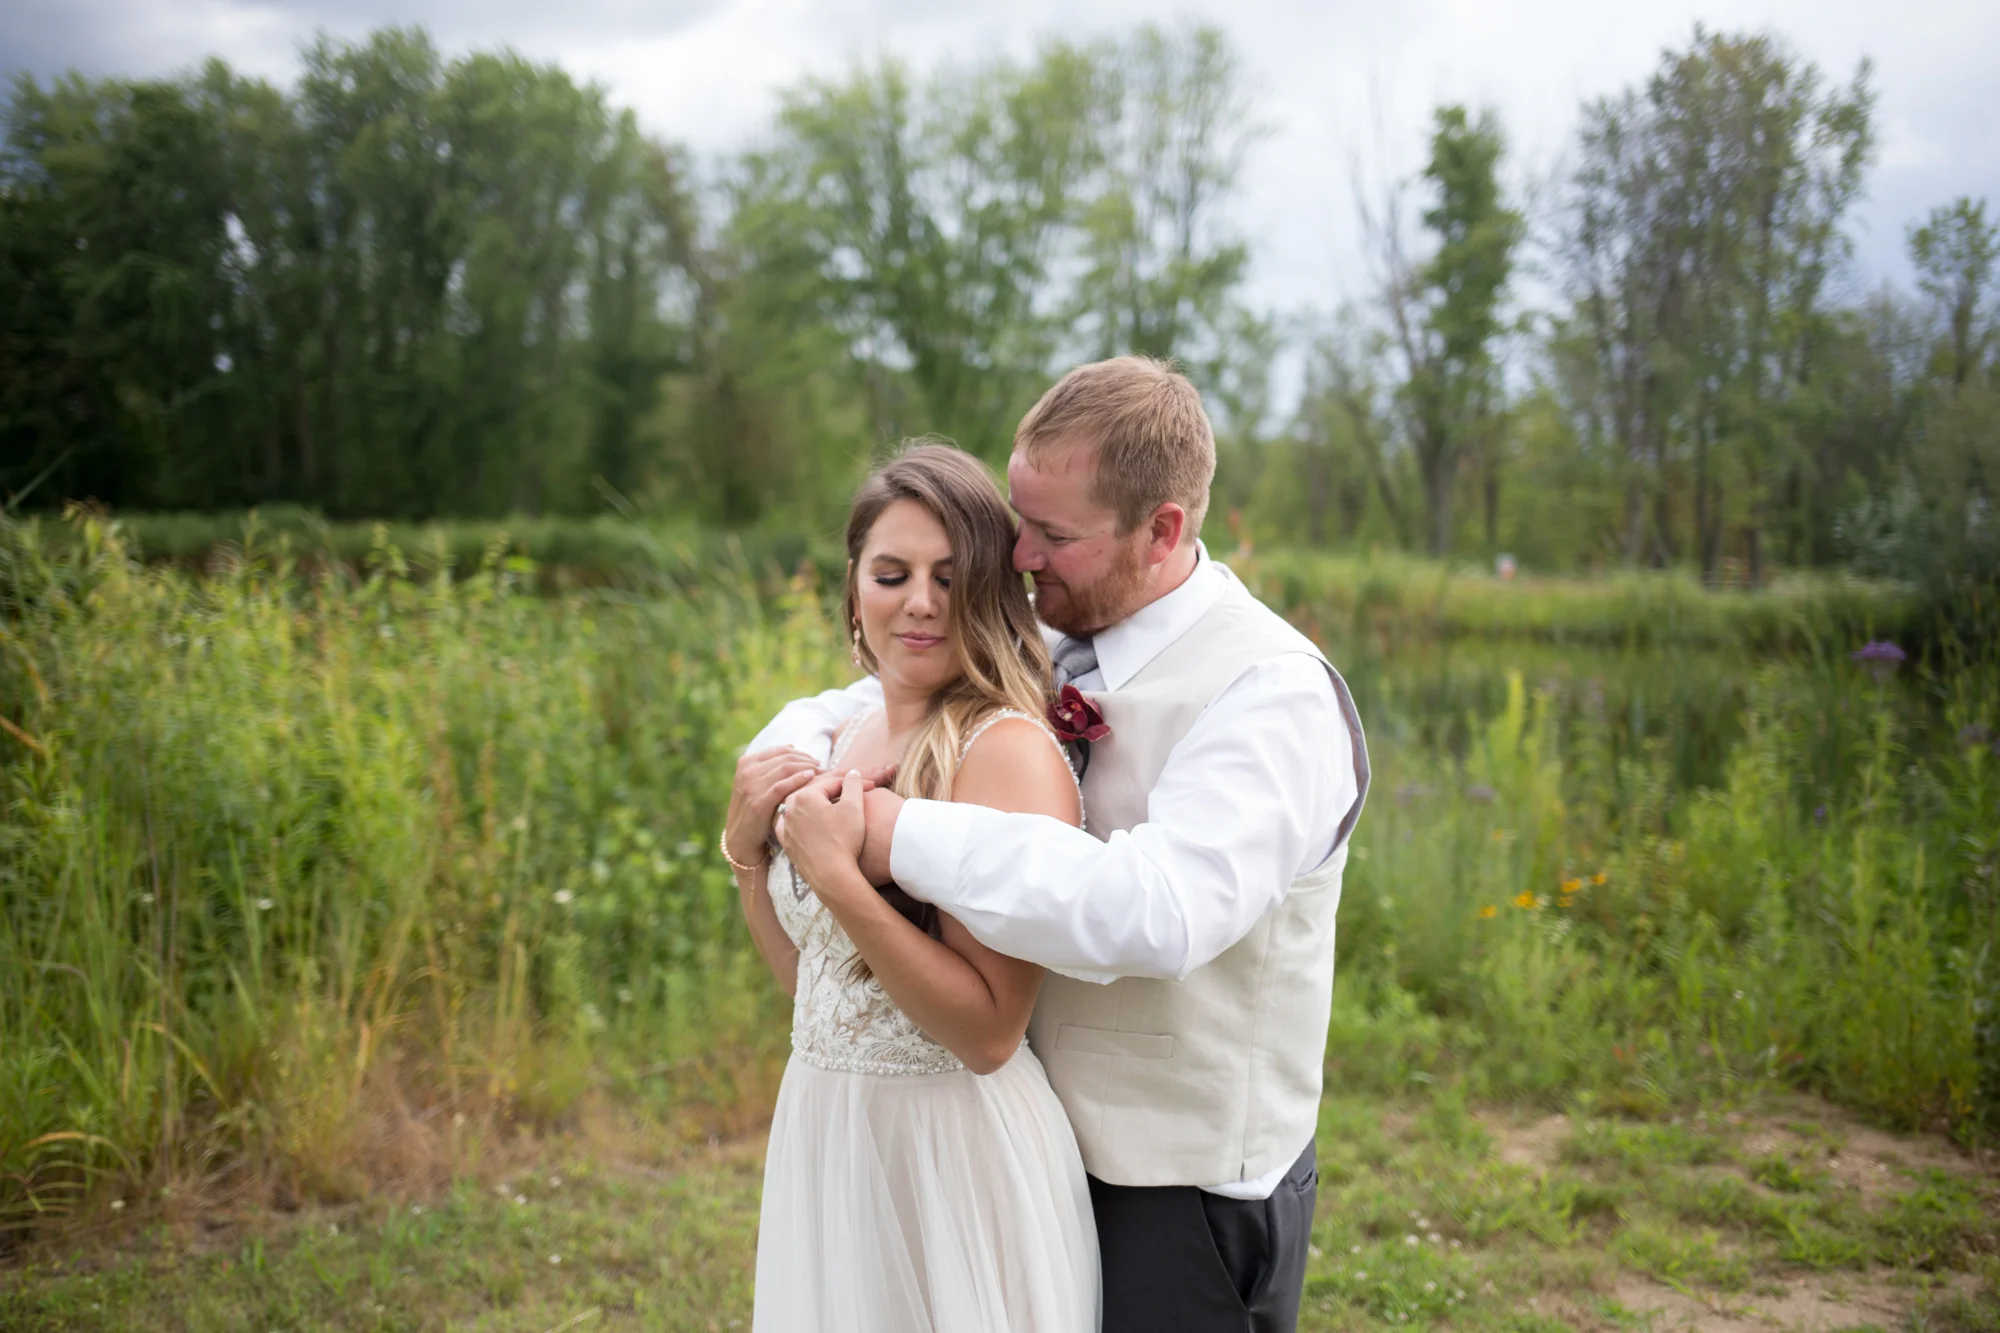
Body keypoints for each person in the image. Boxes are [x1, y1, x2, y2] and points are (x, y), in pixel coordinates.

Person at [752, 356, 1370, 1333]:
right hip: (1011, 1145)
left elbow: (1157, 914)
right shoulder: (1054, 626)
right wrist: (782, 754)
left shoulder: (1270, 693)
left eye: (1054, 534)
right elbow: (872, 695)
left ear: (1162, 530)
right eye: (1018, 518)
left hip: (1179, 1190)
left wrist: (889, 832)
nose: (1018, 554)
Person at [721, 444, 1099, 1333]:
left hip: (954, 1153)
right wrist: (746, 853)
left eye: (949, 577)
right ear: (854, 589)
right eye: (891, 574)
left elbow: (989, 1032)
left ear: (990, 591)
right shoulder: (841, 735)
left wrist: (835, 877)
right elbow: (816, 989)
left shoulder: (1004, 751)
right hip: (830, 1128)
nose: (920, 601)